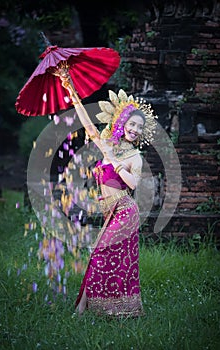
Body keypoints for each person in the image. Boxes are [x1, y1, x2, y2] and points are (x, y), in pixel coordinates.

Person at [64, 80, 157, 317]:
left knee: (103, 254)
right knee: (99, 255)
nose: (134, 129)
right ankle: (84, 309)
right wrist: (71, 92)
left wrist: (118, 166)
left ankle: (104, 309)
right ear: (122, 122)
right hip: (111, 211)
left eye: (138, 127)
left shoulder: (134, 156)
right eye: (131, 123)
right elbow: (88, 125)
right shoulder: (108, 146)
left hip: (126, 211)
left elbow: (133, 184)